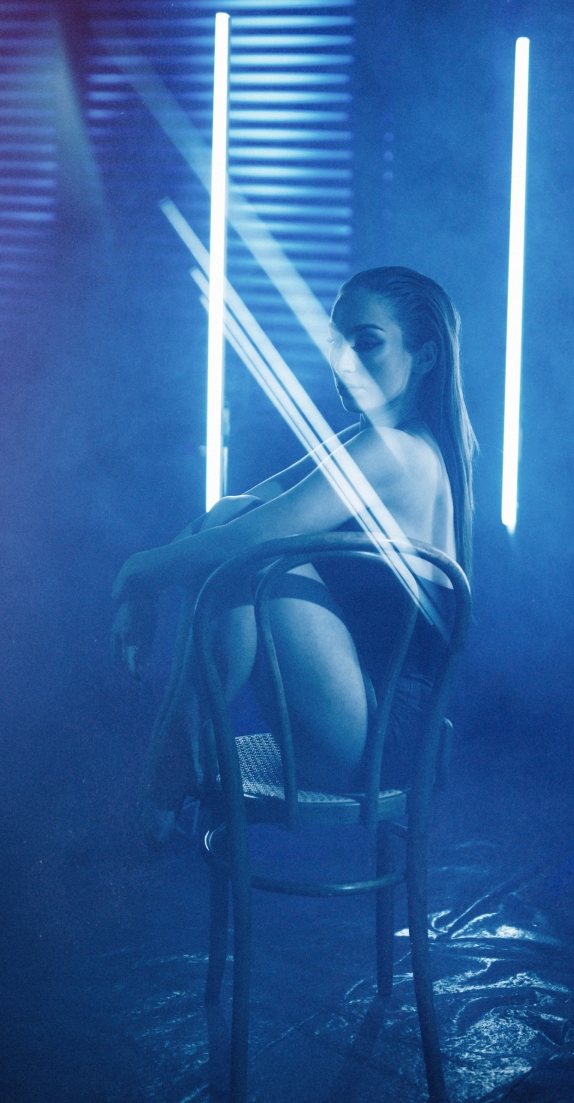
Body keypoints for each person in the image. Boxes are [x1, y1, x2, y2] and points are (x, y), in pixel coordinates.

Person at [112, 265, 477, 843]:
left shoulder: (395, 452)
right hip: (353, 720)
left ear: (425, 356)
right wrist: (144, 587)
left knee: (250, 556)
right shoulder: (376, 441)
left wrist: (136, 577)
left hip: (380, 741)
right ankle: (172, 764)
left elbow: (249, 538)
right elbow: (237, 508)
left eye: (368, 342)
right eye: (336, 342)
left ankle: (168, 770)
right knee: (237, 527)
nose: (345, 361)